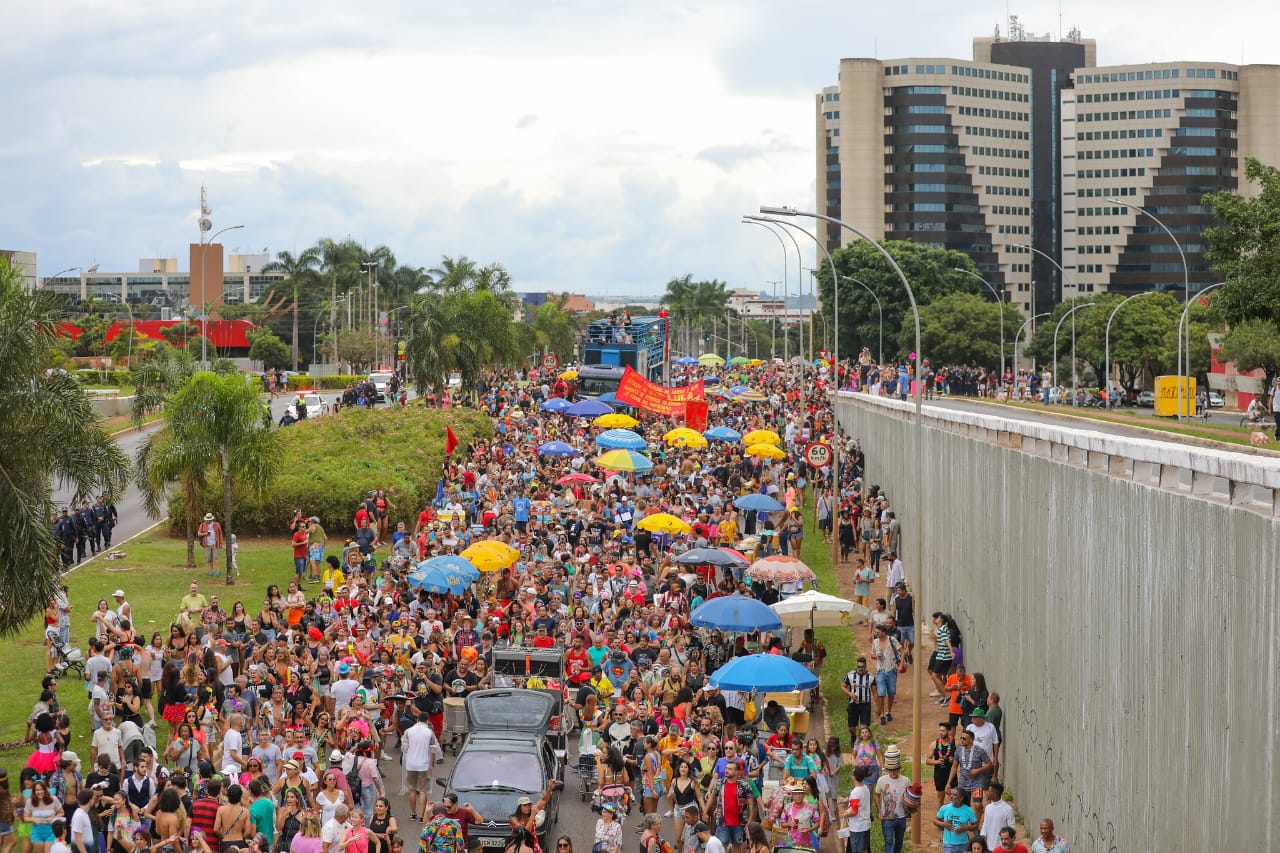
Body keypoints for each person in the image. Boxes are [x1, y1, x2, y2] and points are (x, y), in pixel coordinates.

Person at [401, 715, 441, 822]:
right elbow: (433, 749)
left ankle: (413, 813)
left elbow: (404, 748)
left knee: (411, 789)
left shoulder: (408, 731)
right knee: (423, 790)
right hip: (424, 764)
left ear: (417, 719)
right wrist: (432, 763)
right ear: (427, 720)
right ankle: (422, 816)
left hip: (411, 764)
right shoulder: (429, 732)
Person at [874, 746, 910, 853]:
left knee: (899, 841)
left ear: (899, 768)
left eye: (895, 769)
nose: (893, 772)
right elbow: (876, 795)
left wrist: (910, 808)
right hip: (887, 817)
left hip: (901, 817)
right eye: (890, 770)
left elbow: (910, 797)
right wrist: (879, 811)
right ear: (887, 769)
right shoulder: (882, 780)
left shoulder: (906, 781)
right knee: (889, 842)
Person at [933, 788, 977, 853]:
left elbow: (975, 825)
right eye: (951, 794)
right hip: (948, 844)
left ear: (961, 798)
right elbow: (935, 820)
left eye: (954, 795)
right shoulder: (944, 808)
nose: (951, 796)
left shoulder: (968, 810)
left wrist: (965, 828)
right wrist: (943, 824)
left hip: (963, 844)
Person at [841, 658, 873, 739]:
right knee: (851, 728)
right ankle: (853, 736)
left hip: (865, 704)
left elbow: (875, 692)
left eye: (862, 667)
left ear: (865, 666)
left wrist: (879, 707)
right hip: (853, 704)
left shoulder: (871, 677)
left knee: (864, 728)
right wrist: (850, 694)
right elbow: (843, 686)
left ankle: (862, 744)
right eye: (858, 667)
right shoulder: (850, 675)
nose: (860, 669)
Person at [841, 766, 871, 853]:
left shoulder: (855, 792)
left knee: (857, 850)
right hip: (866, 824)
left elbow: (854, 811)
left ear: (854, 777)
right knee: (865, 849)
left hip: (857, 827)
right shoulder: (866, 788)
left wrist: (845, 814)